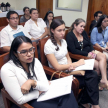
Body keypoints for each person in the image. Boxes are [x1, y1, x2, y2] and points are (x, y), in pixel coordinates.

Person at [1, 36, 78, 108]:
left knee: (68, 94)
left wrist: (32, 82)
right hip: (26, 101)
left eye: (31, 50)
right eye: (24, 52)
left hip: (41, 93)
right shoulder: (7, 69)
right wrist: (39, 91)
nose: (29, 54)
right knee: (61, 104)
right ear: (15, 53)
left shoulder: (35, 61)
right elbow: (20, 99)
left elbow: (46, 86)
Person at [44, 19, 100, 108]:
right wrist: (75, 64)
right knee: (89, 79)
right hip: (59, 74)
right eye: (59, 30)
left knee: (93, 74)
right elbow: (57, 67)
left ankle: (92, 104)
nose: (62, 33)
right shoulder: (49, 45)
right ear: (52, 30)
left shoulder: (63, 41)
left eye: (63, 30)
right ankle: (87, 103)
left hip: (69, 69)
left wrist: (71, 66)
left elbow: (68, 57)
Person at [66, 18, 108, 90]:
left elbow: (89, 43)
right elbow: (73, 51)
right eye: (81, 26)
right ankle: (93, 84)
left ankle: (103, 79)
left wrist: (92, 51)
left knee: (103, 56)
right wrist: (87, 54)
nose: (82, 28)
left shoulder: (84, 33)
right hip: (80, 56)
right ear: (75, 25)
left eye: (84, 26)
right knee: (98, 64)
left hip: (90, 52)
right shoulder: (70, 35)